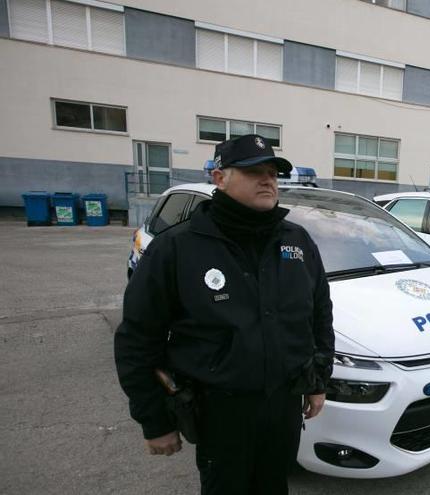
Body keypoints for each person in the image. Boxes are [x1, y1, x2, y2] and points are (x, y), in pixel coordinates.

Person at [114, 134, 335, 494]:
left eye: (273, 173)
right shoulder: (177, 248)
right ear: (219, 178)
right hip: (220, 411)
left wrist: (318, 381)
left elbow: (319, 317)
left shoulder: (297, 241)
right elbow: (138, 339)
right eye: (253, 172)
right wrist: (154, 421)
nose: (267, 180)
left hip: (282, 406)